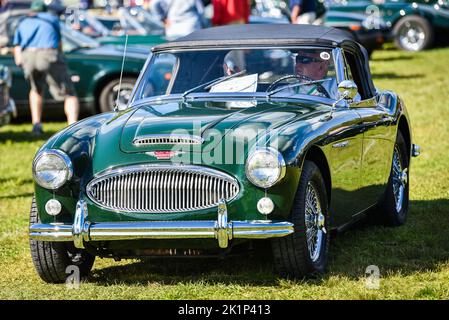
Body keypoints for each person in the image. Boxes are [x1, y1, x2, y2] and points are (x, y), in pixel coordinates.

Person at [13, 0, 79, 135]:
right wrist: (60, 56)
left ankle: (36, 125)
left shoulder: (23, 22)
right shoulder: (51, 18)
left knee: (36, 90)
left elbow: (17, 46)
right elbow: (59, 42)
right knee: (69, 94)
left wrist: (19, 60)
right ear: (44, 10)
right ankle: (73, 128)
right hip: (48, 54)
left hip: (28, 56)